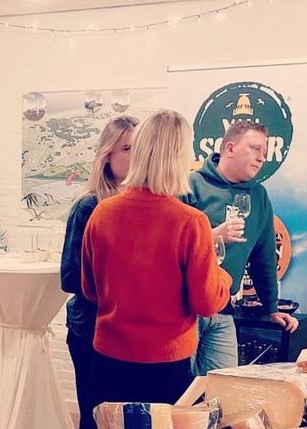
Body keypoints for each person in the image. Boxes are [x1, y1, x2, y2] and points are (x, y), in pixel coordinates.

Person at [82, 109, 231, 413]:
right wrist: (224, 278)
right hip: (165, 365)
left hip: (108, 359)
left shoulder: (102, 212)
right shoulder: (190, 222)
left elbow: (90, 289)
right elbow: (206, 303)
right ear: (179, 157)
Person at [184, 119, 299, 374]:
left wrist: (270, 308)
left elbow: (264, 256)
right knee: (182, 388)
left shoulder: (258, 195)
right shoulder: (191, 185)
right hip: (184, 309)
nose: (262, 158)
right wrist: (212, 237)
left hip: (223, 308)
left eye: (265, 152)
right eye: (255, 148)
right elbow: (170, 246)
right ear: (230, 148)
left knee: (224, 386)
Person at [61, 115, 137, 429]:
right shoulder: (89, 206)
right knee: (95, 419)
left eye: (141, 147)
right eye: (127, 148)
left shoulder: (147, 205)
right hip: (91, 332)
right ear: (107, 155)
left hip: (130, 335)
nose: (135, 155)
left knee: (127, 424)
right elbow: (70, 276)